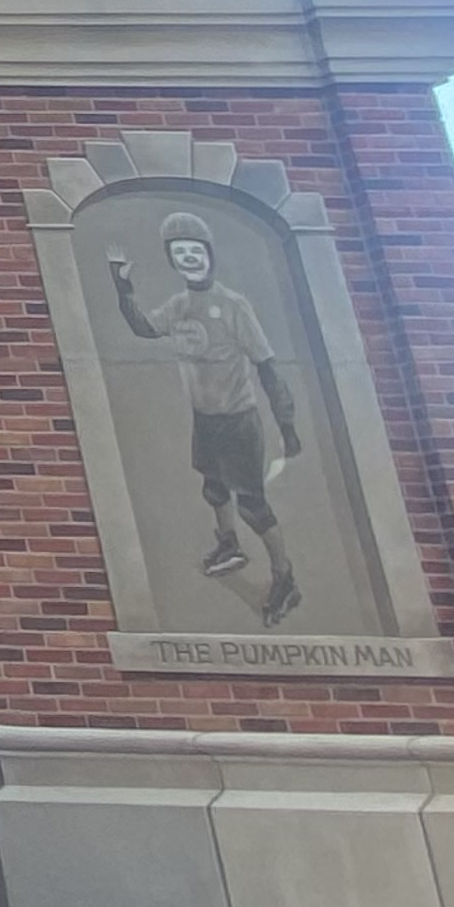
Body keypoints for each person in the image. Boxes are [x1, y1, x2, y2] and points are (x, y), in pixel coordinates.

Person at [112, 211, 305, 626]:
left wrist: (287, 426)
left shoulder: (232, 305)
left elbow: (267, 365)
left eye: (194, 250)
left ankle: (284, 578)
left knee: (253, 504)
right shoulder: (180, 305)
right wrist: (122, 287)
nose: (188, 258)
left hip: (239, 421)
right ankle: (229, 544)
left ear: (208, 254)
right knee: (214, 489)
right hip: (207, 419)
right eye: (179, 253)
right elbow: (146, 328)